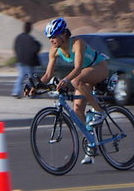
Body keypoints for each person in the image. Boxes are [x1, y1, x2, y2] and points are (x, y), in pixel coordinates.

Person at [29, 17, 109, 164]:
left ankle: (99, 111)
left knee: (75, 80)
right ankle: (92, 143)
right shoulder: (54, 50)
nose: (51, 40)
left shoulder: (77, 43)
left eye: (54, 36)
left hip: (98, 67)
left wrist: (65, 80)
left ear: (64, 34)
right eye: (49, 37)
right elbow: (47, 75)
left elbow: (78, 68)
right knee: (77, 110)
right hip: (85, 73)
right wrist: (35, 86)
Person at [12, 22, 42, 98]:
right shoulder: (31, 39)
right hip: (28, 62)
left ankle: (16, 92)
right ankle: (31, 93)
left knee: (21, 77)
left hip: (20, 61)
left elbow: (15, 48)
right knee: (30, 79)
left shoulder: (18, 37)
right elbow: (35, 49)